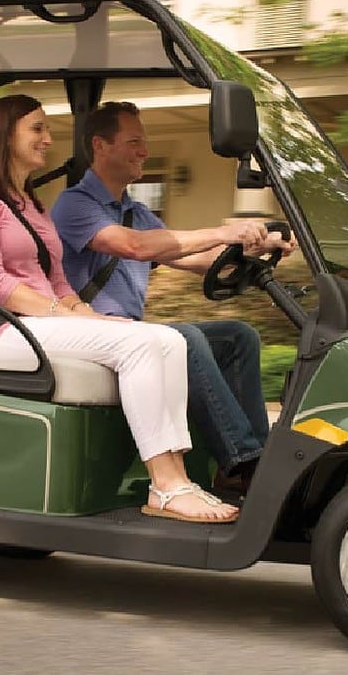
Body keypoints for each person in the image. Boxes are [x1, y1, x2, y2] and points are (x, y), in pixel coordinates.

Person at [0, 94, 238, 523]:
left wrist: (88, 314)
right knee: (140, 346)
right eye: (38, 129)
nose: (48, 139)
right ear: (5, 134)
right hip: (1, 331)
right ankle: (165, 484)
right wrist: (61, 313)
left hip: (37, 323)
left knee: (167, 339)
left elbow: (58, 280)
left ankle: (177, 477)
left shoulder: (31, 204)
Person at [50, 101, 296, 497]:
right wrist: (224, 231)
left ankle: (256, 455)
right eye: (133, 142)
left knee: (238, 336)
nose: (144, 151)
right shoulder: (75, 205)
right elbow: (134, 247)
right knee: (185, 340)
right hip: (91, 336)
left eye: (144, 142)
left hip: (129, 337)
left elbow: (196, 257)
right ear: (100, 145)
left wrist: (260, 247)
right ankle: (242, 461)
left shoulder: (137, 211)